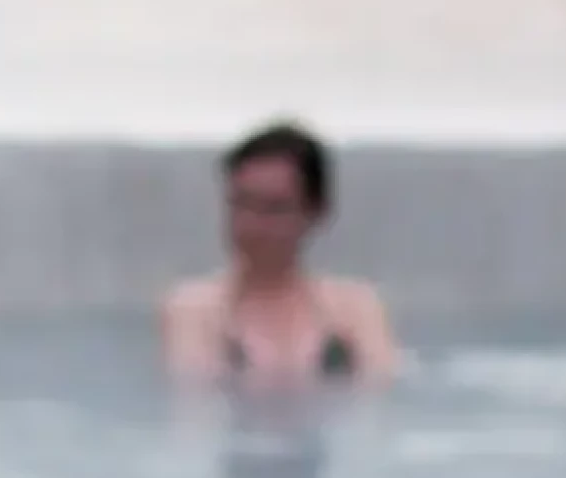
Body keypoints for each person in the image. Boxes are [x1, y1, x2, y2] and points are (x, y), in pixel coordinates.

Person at [162, 122, 399, 387]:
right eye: (241, 204)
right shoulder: (195, 309)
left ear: (314, 212)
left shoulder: (356, 309)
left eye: (273, 209)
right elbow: (195, 410)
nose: (252, 225)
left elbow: (378, 406)